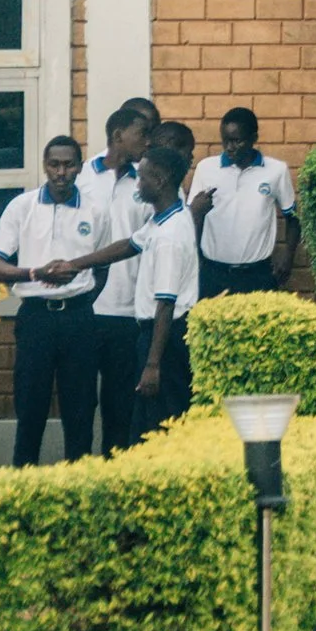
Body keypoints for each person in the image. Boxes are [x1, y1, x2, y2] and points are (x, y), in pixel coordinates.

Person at [0, 135, 115, 464]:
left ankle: (79, 494)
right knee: (31, 407)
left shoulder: (96, 211)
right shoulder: (22, 206)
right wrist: (35, 274)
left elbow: (102, 266)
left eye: (69, 164)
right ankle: (23, 490)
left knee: (81, 409)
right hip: (35, 317)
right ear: (45, 166)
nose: (61, 172)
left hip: (79, 319)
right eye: (55, 164)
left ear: (79, 167)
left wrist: (84, 298)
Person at [75, 100, 161, 456]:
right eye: (143, 134)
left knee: (119, 408)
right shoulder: (80, 175)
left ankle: (114, 477)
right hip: (83, 311)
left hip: (128, 313)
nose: (149, 141)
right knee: (79, 406)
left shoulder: (149, 181)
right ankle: (75, 476)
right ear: (117, 135)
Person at [188, 108, 297, 297]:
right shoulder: (206, 169)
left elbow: (292, 218)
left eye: (237, 141)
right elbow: (194, 218)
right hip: (214, 273)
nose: (230, 147)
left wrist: (288, 256)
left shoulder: (276, 170)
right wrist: (196, 258)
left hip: (258, 274)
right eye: (225, 141)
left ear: (253, 138)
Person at [130, 142, 201, 429]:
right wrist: (76, 265)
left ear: (159, 181)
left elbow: (166, 303)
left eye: (142, 176)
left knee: (161, 422)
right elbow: (130, 245)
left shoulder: (169, 236)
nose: (138, 182)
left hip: (164, 339)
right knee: (148, 420)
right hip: (159, 337)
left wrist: (152, 364)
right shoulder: (167, 218)